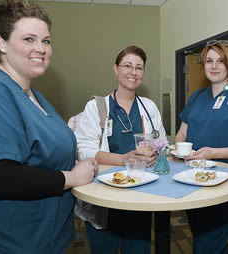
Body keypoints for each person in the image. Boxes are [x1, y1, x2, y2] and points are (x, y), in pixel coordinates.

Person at [0, 1, 98, 253]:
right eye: (29, 39)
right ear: (2, 43)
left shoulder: (31, 93)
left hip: (49, 237)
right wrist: (72, 177)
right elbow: (0, 176)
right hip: (18, 241)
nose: (41, 49)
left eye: (46, 41)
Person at [74, 45, 166, 254]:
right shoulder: (97, 107)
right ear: (116, 69)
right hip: (104, 194)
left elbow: (161, 143)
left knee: (138, 249)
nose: (133, 72)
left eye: (139, 68)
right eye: (128, 66)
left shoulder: (148, 107)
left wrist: (155, 153)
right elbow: (82, 149)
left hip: (141, 193)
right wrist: (122, 158)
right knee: (104, 248)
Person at [174, 40, 228, 254]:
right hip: (194, 180)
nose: (214, 66)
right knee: (206, 240)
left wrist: (214, 153)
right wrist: (179, 149)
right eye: (209, 61)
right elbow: (182, 133)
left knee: (206, 246)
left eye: (220, 61)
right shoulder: (196, 97)